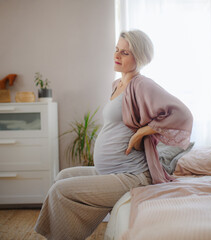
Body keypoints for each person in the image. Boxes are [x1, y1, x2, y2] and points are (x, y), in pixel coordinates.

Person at [34, 30, 193, 240]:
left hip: (132, 176)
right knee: (62, 177)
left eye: (125, 53)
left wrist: (143, 132)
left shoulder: (141, 84)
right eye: (116, 50)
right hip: (112, 171)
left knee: (60, 190)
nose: (117, 56)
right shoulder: (117, 85)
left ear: (140, 57)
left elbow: (183, 114)